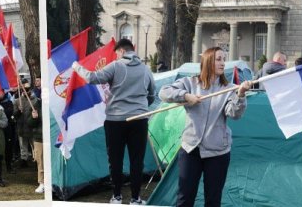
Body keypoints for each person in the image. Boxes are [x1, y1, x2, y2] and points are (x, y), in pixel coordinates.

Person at [160, 47, 252, 207]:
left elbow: (234, 114)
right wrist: (185, 96)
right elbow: (164, 92)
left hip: (218, 151)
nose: (223, 63)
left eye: (224, 59)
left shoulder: (229, 88)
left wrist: (241, 95)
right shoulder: (190, 82)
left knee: (213, 200)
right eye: (218, 59)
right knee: (184, 198)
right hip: (190, 149)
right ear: (208, 61)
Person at [72, 38, 156, 205]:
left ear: (122, 51)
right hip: (139, 120)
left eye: (116, 53)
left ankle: (117, 196)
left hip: (115, 121)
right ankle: (135, 198)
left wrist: (76, 66)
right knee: (136, 160)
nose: (116, 56)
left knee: (115, 160)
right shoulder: (146, 70)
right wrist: (140, 107)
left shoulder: (116, 66)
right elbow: (152, 95)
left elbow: (91, 78)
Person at [27, 94, 44, 194]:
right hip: (39, 138)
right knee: (40, 161)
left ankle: (52, 182)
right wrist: (34, 118)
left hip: (51, 137)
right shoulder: (36, 105)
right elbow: (29, 123)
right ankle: (42, 183)